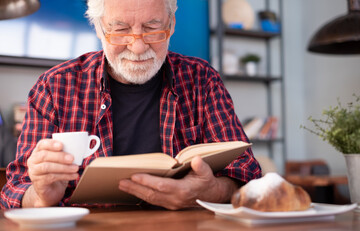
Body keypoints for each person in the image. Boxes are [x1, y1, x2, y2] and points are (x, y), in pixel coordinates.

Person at [0, 0, 261, 210]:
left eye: (152, 27)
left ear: (171, 25)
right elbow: (14, 191)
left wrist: (212, 191)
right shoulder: (54, 87)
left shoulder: (202, 80)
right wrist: (42, 196)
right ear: (99, 28)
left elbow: (248, 173)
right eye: (121, 29)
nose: (137, 47)